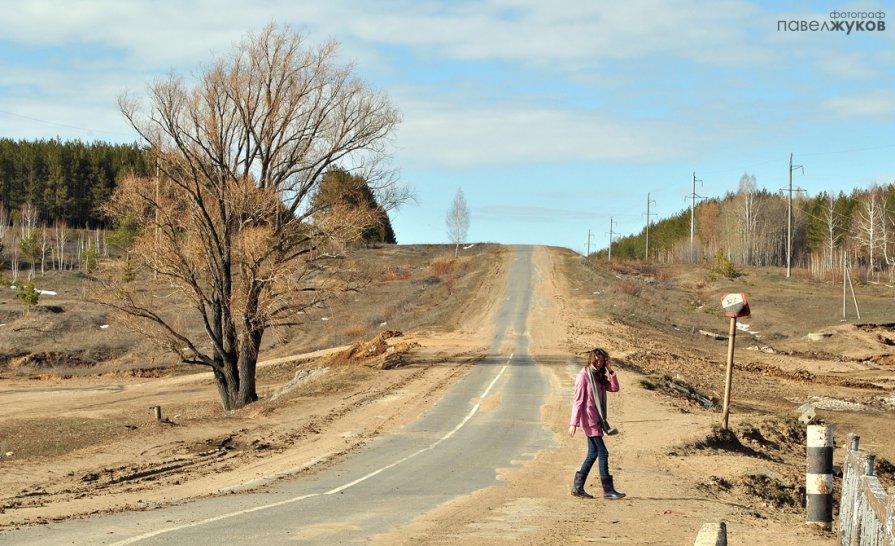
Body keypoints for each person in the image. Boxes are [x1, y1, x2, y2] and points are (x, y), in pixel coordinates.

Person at [568, 347, 625, 499]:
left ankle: (578, 488)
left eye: (602, 361)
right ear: (591, 359)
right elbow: (578, 401)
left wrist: (610, 371)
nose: (599, 363)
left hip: (597, 419)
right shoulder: (583, 376)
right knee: (603, 453)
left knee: (593, 454)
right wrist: (573, 423)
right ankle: (608, 491)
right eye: (597, 361)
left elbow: (614, 388)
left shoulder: (599, 375)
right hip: (588, 420)